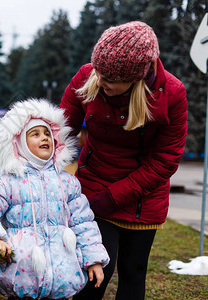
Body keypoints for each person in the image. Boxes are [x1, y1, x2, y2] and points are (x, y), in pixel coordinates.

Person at [59, 21, 188, 300]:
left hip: (144, 196)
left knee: (133, 271)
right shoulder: (88, 76)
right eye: (98, 74)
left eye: (110, 79)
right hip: (93, 188)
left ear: (136, 78)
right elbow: (60, 129)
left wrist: (112, 197)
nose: (100, 83)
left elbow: (165, 160)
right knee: (95, 272)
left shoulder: (172, 94)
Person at [0, 99, 110, 299]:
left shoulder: (67, 183)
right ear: (19, 143)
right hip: (21, 272)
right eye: (35, 134)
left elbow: (83, 222)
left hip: (61, 274)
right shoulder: (9, 182)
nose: (44, 138)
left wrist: (93, 259)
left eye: (47, 134)